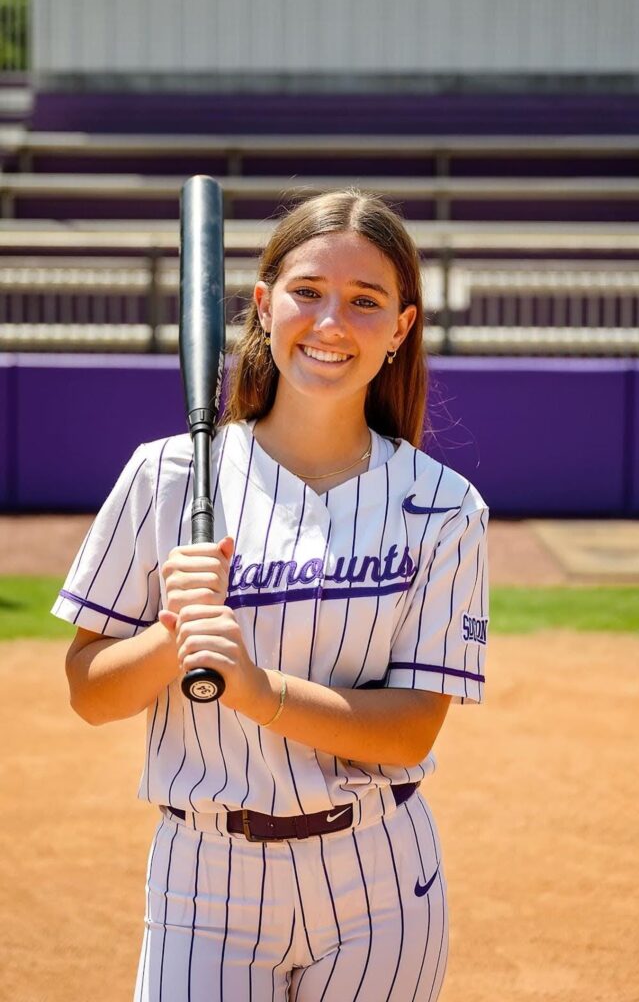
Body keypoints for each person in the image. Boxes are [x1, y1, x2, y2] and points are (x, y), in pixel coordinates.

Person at [52, 189, 489, 1002]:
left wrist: (258, 692)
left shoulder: (444, 507)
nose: (331, 322)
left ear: (400, 329)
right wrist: (170, 635)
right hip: (204, 878)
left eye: (365, 302)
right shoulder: (165, 477)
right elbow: (88, 692)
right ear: (263, 305)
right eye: (308, 292)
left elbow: (410, 730)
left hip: (381, 876)